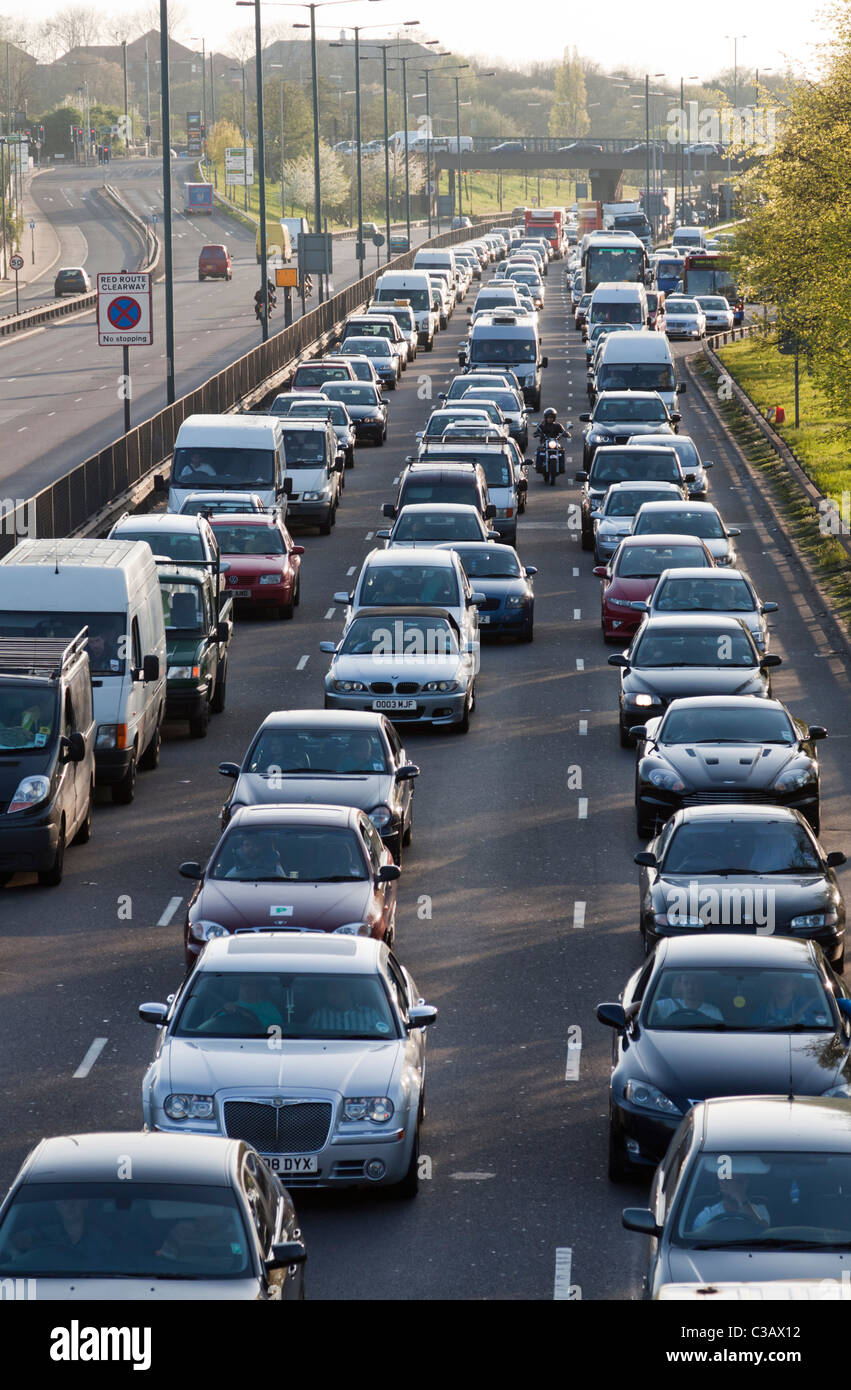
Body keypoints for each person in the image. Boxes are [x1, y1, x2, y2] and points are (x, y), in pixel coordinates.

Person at [691, 1169, 770, 1232]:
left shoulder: (760, 1211)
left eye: (739, 1182)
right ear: (721, 1184)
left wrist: (741, 1198)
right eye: (730, 1181)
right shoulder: (707, 1215)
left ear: (747, 1183)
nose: (734, 1186)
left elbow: (764, 1235)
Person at [651, 973, 724, 1023]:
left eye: (694, 982)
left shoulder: (713, 1012)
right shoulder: (668, 1005)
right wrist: (640, 1005)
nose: (690, 987)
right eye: (686, 983)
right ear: (680, 986)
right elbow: (648, 1009)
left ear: (701, 985)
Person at [222, 833, 287, 880]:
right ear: (242, 848)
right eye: (247, 845)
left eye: (255, 844)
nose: (251, 848)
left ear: (261, 847)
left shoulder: (275, 869)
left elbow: (284, 884)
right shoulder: (233, 873)